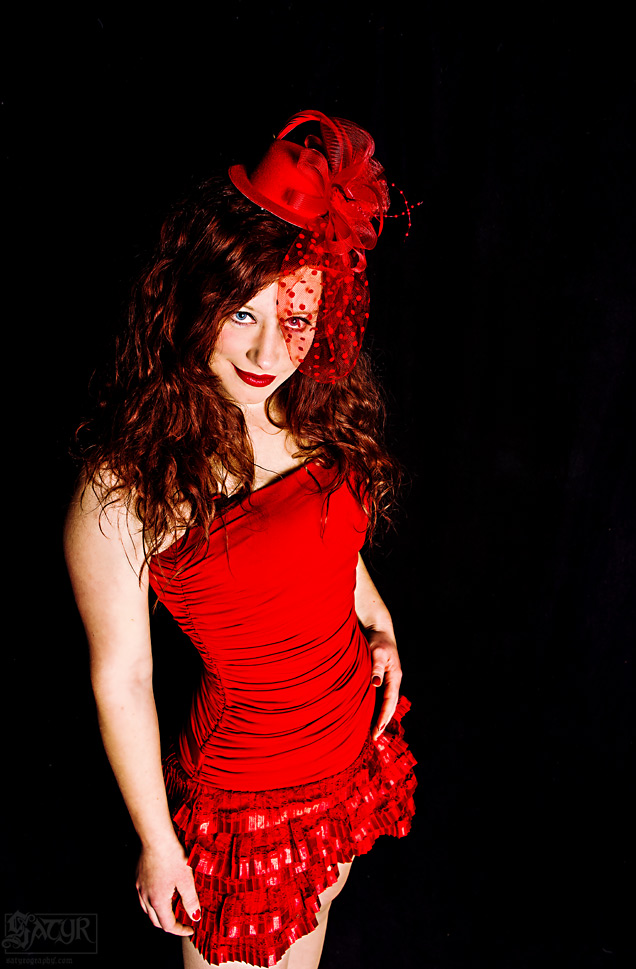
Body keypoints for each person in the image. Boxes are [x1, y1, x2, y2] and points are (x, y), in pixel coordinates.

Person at [64, 109, 417, 969]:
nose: (267, 350)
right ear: (195, 299)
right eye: (240, 314)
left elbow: (328, 545)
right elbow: (123, 677)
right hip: (249, 798)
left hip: (347, 747)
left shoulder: (312, 408)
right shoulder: (125, 482)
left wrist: (378, 621)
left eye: (294, 318)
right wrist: (158, 841)